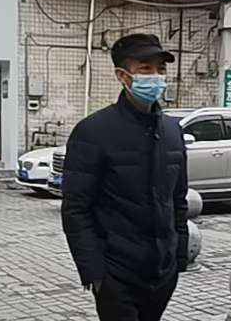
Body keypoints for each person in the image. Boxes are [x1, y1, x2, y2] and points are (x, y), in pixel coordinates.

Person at [62, 34, 189, 321]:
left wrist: (178, 256)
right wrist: (95, 273)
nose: (156, 77)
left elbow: (178, 200)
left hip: (162, 273)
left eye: (161, 69)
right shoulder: (93, 131)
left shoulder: (173, 131)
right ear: (122, 76)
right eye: (145, 68)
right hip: (116, 274)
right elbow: (76, 209)